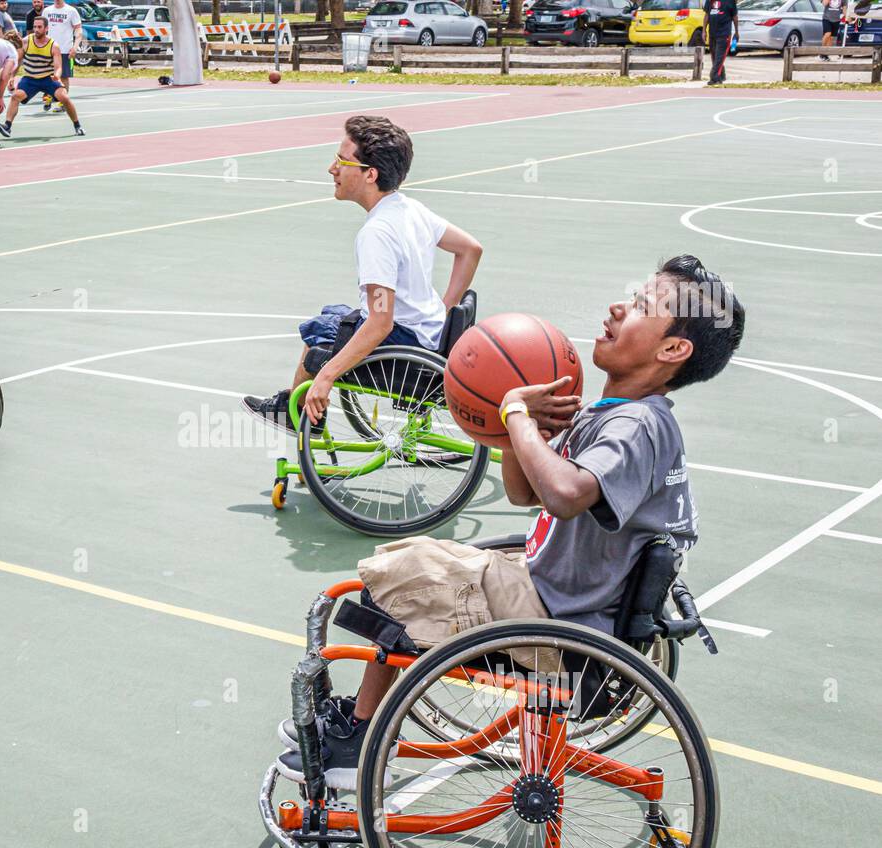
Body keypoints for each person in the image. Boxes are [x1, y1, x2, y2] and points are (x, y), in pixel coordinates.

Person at [276, 254, 746, 789]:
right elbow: (526, 492)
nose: (619, 306)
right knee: (404, 558)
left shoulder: (637, 424)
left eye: (641, 305)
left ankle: (358, 744)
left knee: (397, 576)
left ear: (672, 349)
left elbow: (566, 494)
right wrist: (515, 433)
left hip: (559, 620)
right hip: (559, 596)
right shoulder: (612, 413)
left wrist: (516, 413)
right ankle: (363, 721)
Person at [242, 116, 482, 432]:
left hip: (402, 346)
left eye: (342, 161)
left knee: (319, 331)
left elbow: (380, 322)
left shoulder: (377, 233)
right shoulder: (410, 209)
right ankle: (296, 408)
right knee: (333, 316)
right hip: (427, 335)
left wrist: (326, 376)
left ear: (370, 174)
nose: (332, 169)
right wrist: (444, 313)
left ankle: (297, 411)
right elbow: (470, 250)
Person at [0, 15, 84, 137]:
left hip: (48, 78)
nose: (36, 29)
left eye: (39, 27)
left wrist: (57, 76)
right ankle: (7, 127)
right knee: (15, 96)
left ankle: (77, 126)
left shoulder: (53, 46)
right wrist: (12, 77)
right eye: (35, 26)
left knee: (64, 98)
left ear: (46, 28)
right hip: (30, 79)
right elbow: (18, 61)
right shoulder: (26, 41)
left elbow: (58, 67)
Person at [42, 0, 82, 112]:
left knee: (63, 77)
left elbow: (78, 31)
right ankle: (48, 97)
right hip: (49, 49)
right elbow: (41, 29)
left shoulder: (71, 11)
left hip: (65, 50)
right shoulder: (47, 11)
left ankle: (62, 103)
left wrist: (75, 47)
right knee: (46, 75)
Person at [705, 0, 738, 85]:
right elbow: (707, 15)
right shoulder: (709, 1)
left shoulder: (730, 1)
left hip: (724, 34)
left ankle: (714, 78)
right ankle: (721, 76)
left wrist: (737, 32)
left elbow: (735, 16)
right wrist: (703, 31)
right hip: (712, 33)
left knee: (720, 57)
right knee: (714, 56)